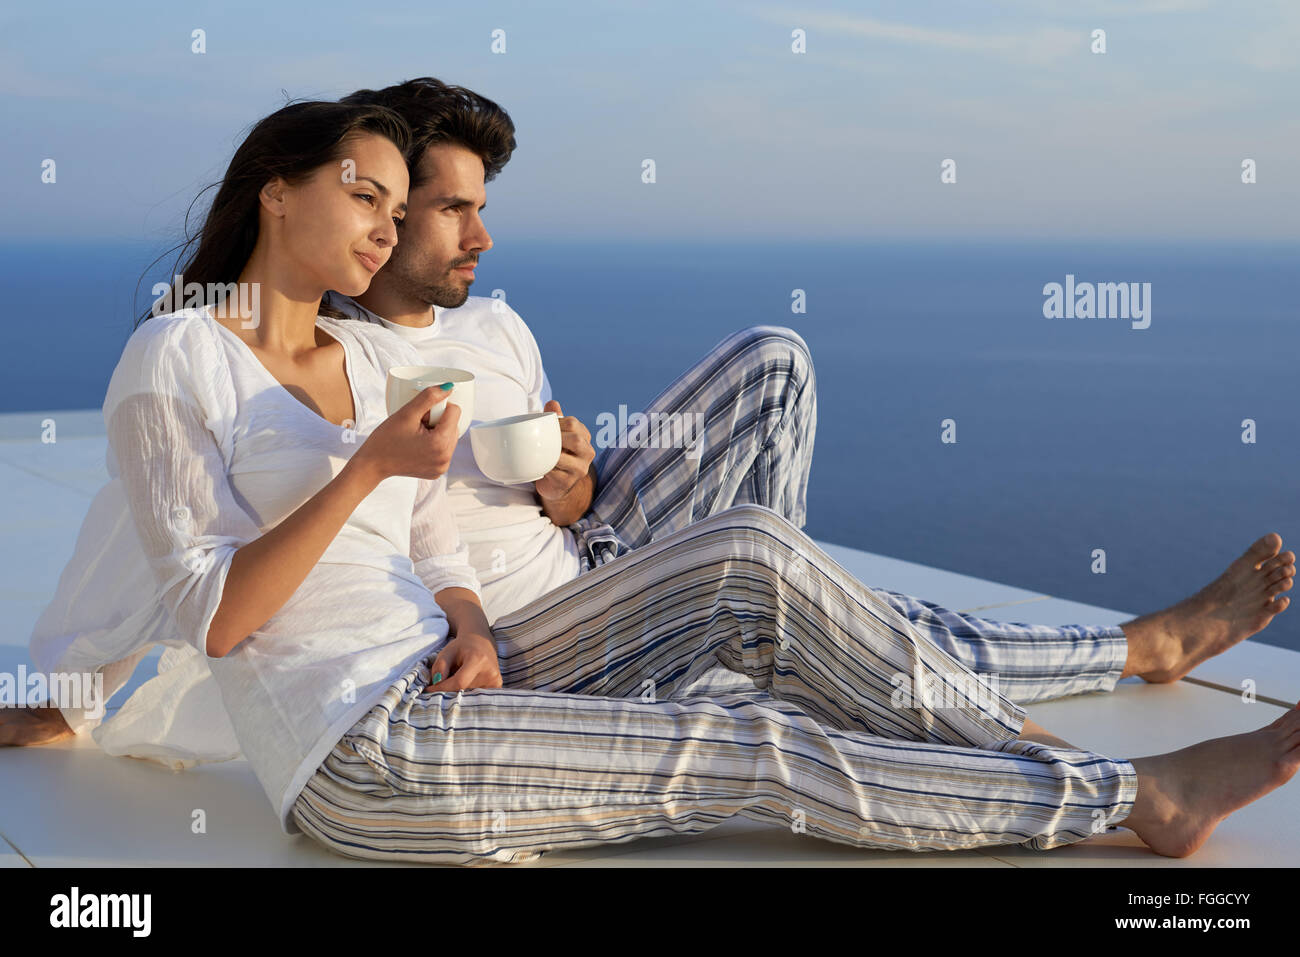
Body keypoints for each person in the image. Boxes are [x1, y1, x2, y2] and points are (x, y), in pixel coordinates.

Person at [9, 96, 1300, 865]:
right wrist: (65, 700)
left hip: (438, 670)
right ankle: (1130, 794)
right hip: (361, 752)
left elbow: (414, 535)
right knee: (758, 747)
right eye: (365, 196)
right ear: (272, 191)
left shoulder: (351, 351)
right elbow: (215, 614)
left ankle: (1070, 748)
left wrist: (461, 611)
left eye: (398, 206)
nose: (384, 227)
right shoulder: (176, 355)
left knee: (751, 564)